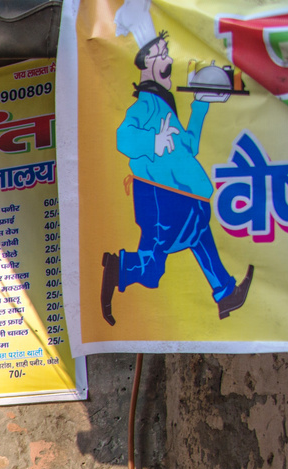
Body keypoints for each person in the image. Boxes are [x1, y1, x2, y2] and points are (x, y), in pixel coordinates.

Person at [100, 28, 252, 325]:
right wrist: (153, 143)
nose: (169, 59)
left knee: (199, 236)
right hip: (162, 198)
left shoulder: (164, 105)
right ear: (147, 65)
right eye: (163, 55)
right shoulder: (144, 106)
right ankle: (122, 267)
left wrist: (200, 103)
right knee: (154, 263)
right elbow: (123, 138)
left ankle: (225, 292)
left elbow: (189, 146)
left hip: (184, 196)